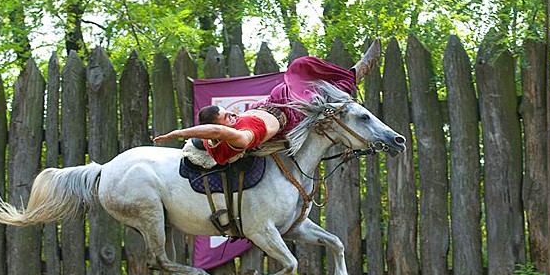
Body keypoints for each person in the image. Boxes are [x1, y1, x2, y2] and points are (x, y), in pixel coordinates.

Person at [152, 39, 381, 165]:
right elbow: (212, 130)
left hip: (273, 101)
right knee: (312, 87)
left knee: (299, 68)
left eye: (227, 112)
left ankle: (348, 75)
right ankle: (355, 73)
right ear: (221, 129)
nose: (231, 114)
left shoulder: (239, 123)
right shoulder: (240, 138)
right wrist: (174, 134)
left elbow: (218, 126)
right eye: (226, 117)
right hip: (290, 117)